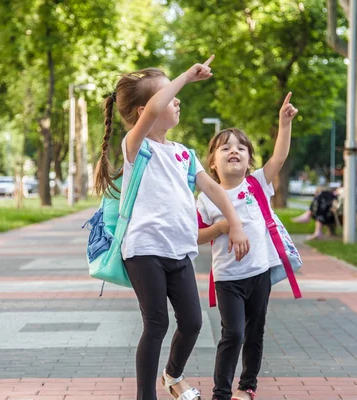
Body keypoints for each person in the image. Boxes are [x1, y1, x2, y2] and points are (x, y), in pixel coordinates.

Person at [93, 56, 250, 400]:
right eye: (168, 95)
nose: (176, 99)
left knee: (193, 323)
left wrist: (235, 223)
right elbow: (152, 112)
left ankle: (172, 374)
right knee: (157, 324)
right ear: (142, 109)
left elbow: (212, 189)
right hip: (144, 250)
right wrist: (185, 77)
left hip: (179, 252)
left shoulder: (184, 154)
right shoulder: (137, 147)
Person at [196, 93, 298, 400]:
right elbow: (195, 237)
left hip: (259, 273)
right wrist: (222, 227)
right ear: (212, 163)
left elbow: (278, 158)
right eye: (225, 148)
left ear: (249, 160)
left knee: (255, 333)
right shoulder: (206, 198)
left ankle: (247, 386)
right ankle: (221, 392)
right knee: (234, 334)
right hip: (228, 278)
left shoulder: (256, 184)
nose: (234, 151)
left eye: (241, 147)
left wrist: (284, 124)